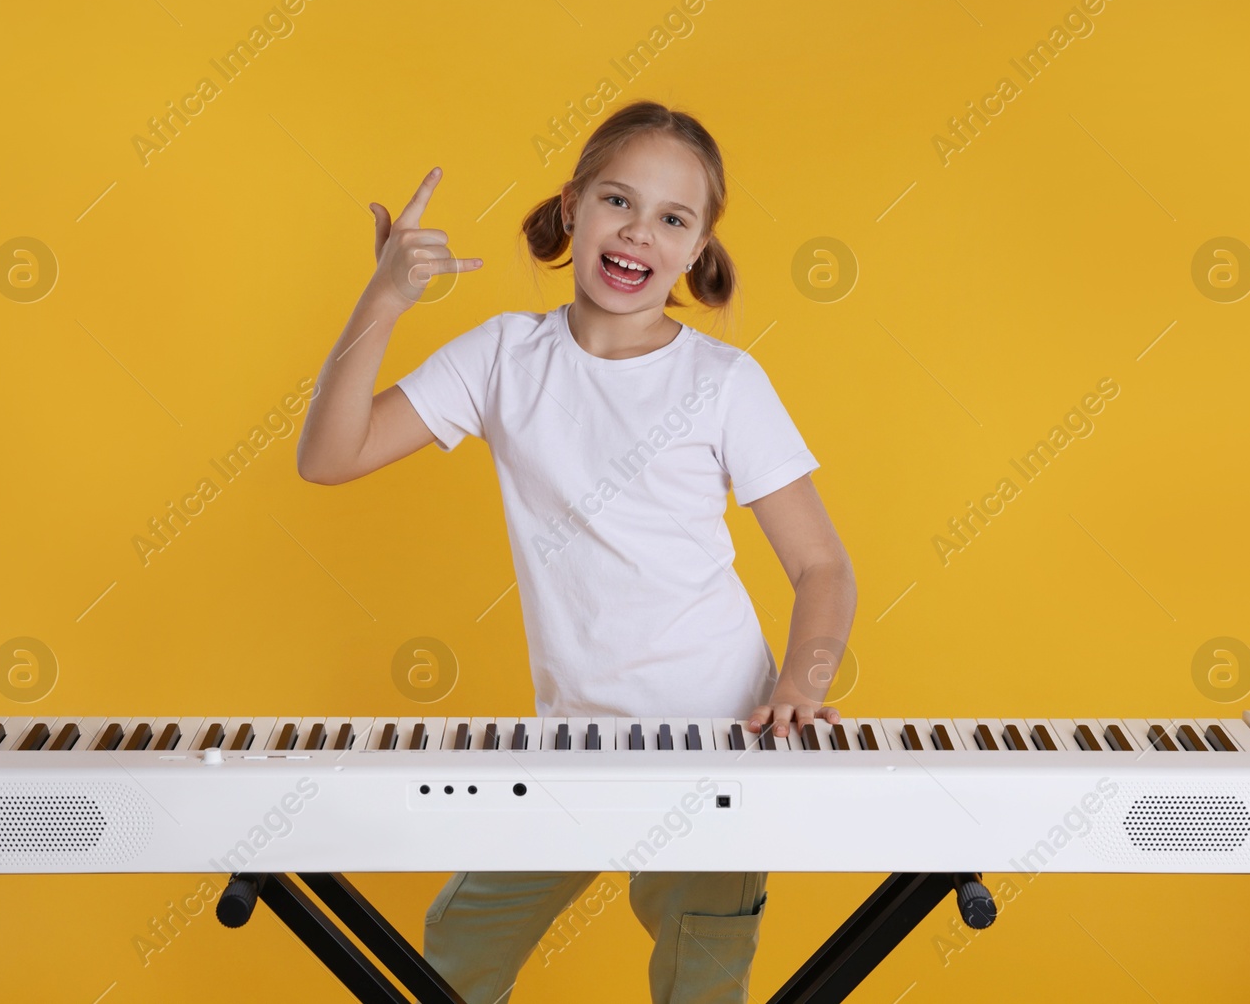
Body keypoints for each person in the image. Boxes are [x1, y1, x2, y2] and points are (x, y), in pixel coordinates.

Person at [296, 100, 857, 1004]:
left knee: (700, 980)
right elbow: (328, 457)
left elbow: (823, 567)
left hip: (716, 740)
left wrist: (801, 687)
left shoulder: (722, 382)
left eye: (673, 218)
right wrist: (385, 297)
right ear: (572, 207)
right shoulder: (504, 356)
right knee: (457, 953)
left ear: (698, 246)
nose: (639, 232)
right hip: (570, 742)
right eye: (617, 201)